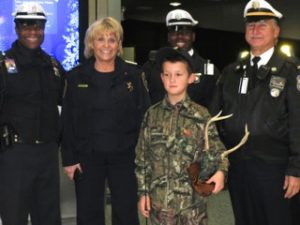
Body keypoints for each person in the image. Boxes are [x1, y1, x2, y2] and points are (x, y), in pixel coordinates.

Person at [210, 0, 300, 225]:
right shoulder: (232, 72)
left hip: (276, 169)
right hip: (239, 166)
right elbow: (215, 119)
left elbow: (299, 123)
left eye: (262, 24)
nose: (255, 29)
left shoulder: (290, 71)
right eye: (250, 24)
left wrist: (296, 169)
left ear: (276, 31)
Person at [61, 17, 150, 225]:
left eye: (112, 40)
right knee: (88, 212)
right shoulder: (76, 77)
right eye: (101, 39)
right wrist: (69, 158)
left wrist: (145, 158)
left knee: (126, 211)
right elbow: (68, 120)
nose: (106, 45)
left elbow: (145, 117)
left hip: (125, 156)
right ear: (91, 43)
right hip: (87, 156)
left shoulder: (134, 75)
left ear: (119, 44)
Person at [135, 47, 228, 225]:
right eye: (167, 75)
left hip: (193, 209)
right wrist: (143, 193)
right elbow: (142, 159)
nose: (172, 80)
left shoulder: (202, 115)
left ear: (191, 78)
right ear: (161, 78)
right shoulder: (152, 115)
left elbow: (218, 152)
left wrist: (221, 173)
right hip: (160, 208)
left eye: (178, 74)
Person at [0, 2, 65, 225]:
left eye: (38, 26)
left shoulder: (53, 66)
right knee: (14, 218)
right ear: (17, 29)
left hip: (47, 154)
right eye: (26, 26)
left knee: (48, 218)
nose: (33, 32)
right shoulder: (3, 65)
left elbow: (66, 106)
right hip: (14, 155)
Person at [143, 9, 220, 107]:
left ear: (193, 36)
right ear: (168, 37)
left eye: (185, 32)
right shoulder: (151, 67)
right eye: (174, 33)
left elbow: (216, 106)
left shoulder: (208, 71)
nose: (180, 37)